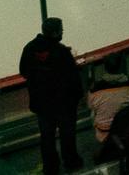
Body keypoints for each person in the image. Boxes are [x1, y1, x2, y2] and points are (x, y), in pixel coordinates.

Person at [18, 17, 84, 175]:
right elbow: (73, 78)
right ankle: (71, 161)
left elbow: (23, 71)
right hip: (64, 104)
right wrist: (77, 97)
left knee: (47, 137)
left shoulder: (30, 49)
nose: (62, 32)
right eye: (61, 29)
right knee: (67, 134)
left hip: (42, 105)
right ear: (54, 32)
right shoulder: (61, 52)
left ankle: (51, 167)